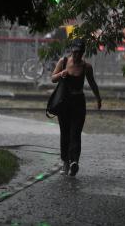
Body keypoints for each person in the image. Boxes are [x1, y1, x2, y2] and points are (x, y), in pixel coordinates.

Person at [51, 38, 102, 176]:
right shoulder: (64, 62)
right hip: (64, 102)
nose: (76, 55)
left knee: (76, 132)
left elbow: (92, 83)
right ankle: (65, 162)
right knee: (65, 132)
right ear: (71, 50)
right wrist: (61, 74)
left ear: (83, 52)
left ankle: (74, 162)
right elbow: (53, 78)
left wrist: (98, 98)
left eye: (79, 52)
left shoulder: (86, 67)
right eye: (74, 52)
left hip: (78, 102)